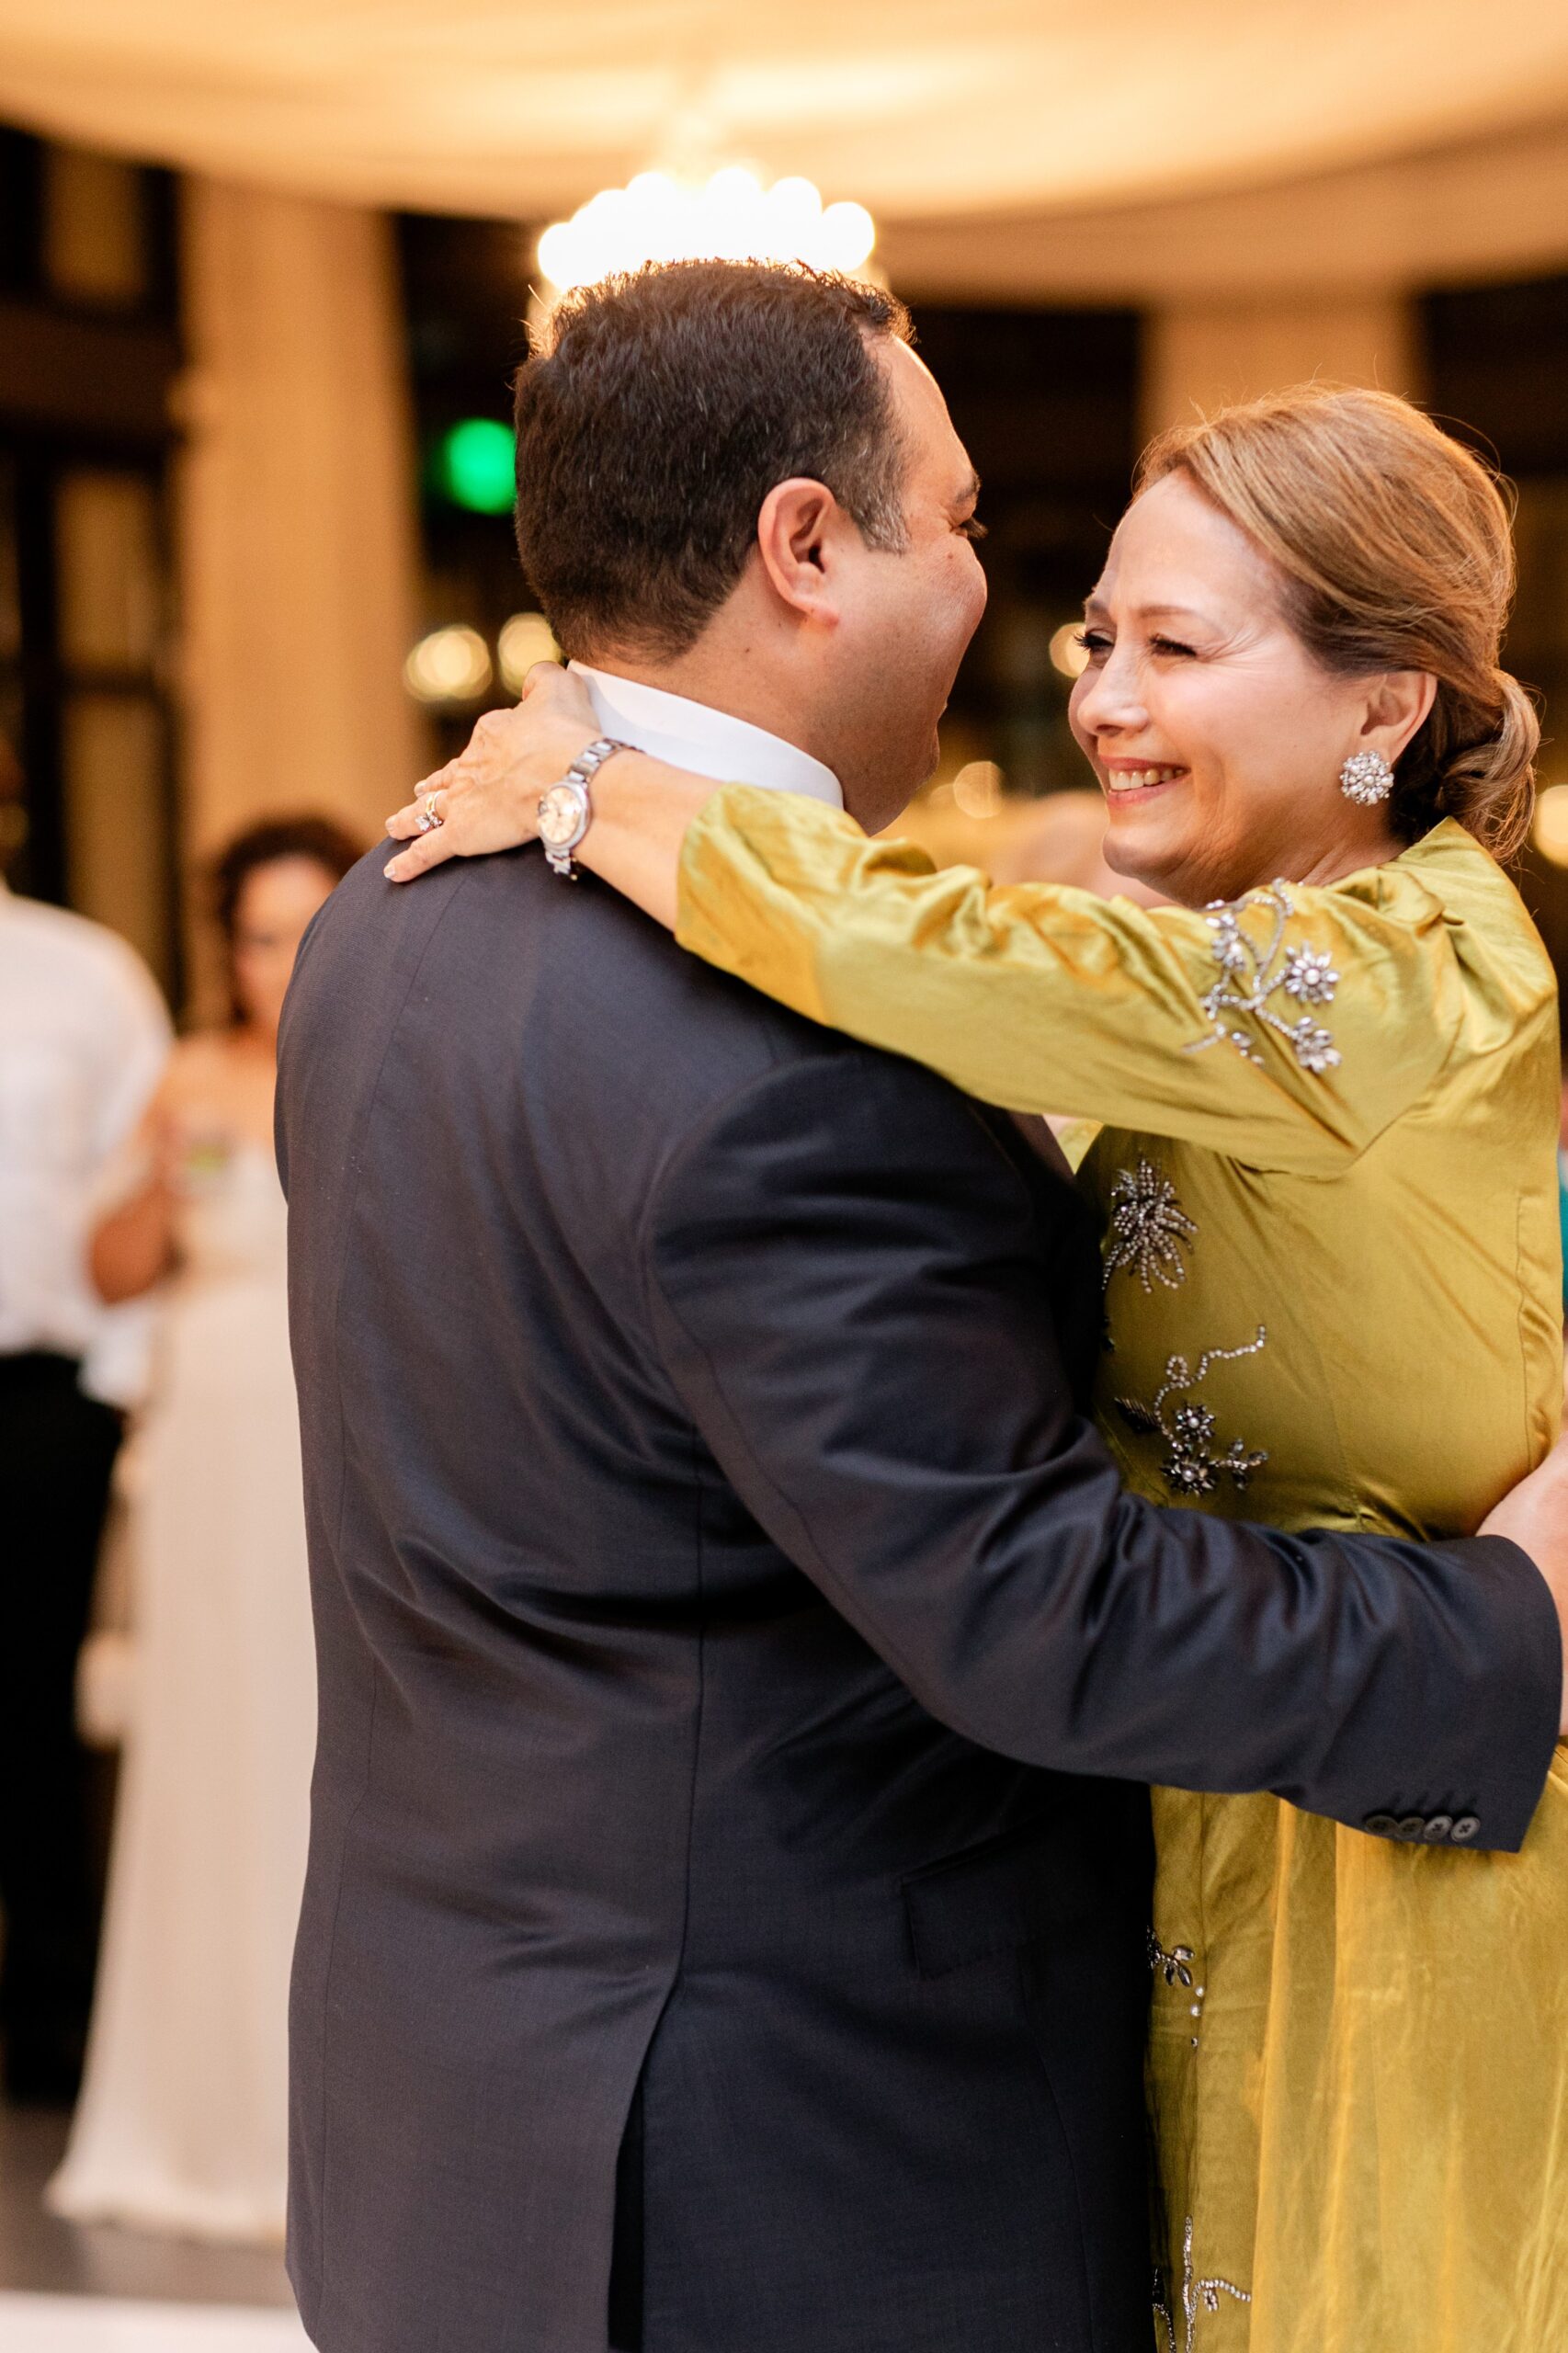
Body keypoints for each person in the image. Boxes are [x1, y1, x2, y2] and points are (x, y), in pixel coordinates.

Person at [286, 263, 1568, 2353]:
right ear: (809, 547)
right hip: (788, 2159)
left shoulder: (398, 902)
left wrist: (604, 786)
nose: (1060, 655)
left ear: (1386, 700)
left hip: (468, 2104)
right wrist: (1500, 1631)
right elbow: (1027, 1602)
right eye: (981, 535)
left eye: (1170, 638)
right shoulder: (783, 1039)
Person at [49, 816, 358, 2243]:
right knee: (208, 1759)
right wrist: (163, 1178)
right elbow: (108, 1276)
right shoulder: (190, 1075)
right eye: (254, 936)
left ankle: (332, 2128)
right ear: (221, 945)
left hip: (336, 1432)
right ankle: (195, 2121)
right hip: (210, 1442)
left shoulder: (383, 1062)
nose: (276, 965)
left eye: (303, 932)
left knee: (323, 1753)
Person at [0, 747, 170, 2105]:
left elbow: (154, 1171)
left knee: (33, 1720)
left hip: (36, 1404)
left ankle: (53, 2031)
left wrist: (113, 1392)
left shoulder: (87, 974)